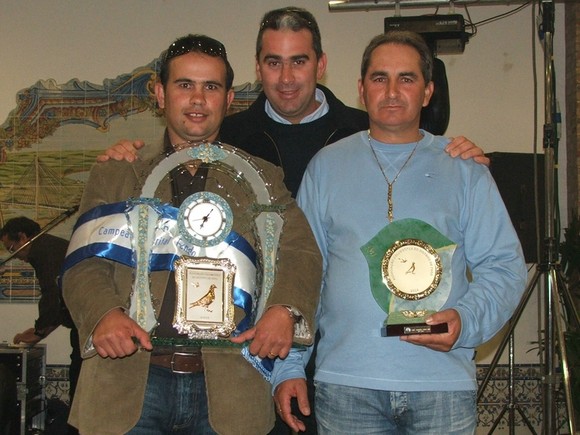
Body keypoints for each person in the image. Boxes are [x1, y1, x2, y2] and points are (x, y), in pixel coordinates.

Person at [97, 8, 489, 434]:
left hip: (344, 358)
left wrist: (457, 155)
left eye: (298, 61)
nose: (286, 77)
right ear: (258, 68)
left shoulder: (365, 129)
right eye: (274, 62)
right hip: (259, 357)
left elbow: (305, 251)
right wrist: (123, 159)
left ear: (321, 65)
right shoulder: (227, 135)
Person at [61, 33, 322, 435]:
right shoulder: (117, 173)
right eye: (185, 85)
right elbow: (83, 263)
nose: (198, 99)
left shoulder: (262, 178)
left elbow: (301, 252)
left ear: (228, 99)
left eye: (211, 87)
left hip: (230, 393)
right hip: (125, 386)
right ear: (160, 94)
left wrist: (284, 310)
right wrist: (103, 315)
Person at [270, 31, 527, 434]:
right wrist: (289, 367)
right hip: (346, 386)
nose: (391, 91)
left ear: (427, 92)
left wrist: (465, 320)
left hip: (442, 386)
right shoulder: (326, 167)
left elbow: (505, 268)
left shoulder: (465, 170)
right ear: (361, 89)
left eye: (406, 78)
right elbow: (302, 273)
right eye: (380, 78)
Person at [0, 216, 81, 434]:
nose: (15, 255)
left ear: (23, 237)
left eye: (12, 248)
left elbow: (53, 295)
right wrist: (40, 329)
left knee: (80, 389)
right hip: (83, 326)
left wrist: (39, 332)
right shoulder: (49, 246)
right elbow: (61, 302)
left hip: (86, 328)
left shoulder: (42, 250)